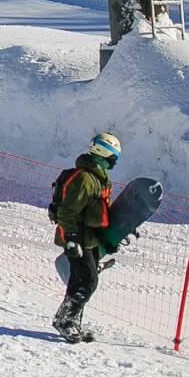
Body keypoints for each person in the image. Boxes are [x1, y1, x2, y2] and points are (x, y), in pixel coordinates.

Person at [51, 132, 123, 344]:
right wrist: (71, 239)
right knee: (88, 281)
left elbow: (98, 212)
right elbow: (67, 211)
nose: (115, 162)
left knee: (79, 280)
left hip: (90, 238)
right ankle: (65, 321)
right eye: (113, 157)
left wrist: (110, 237)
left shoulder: (98, 176)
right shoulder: (85, 178)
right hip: (77, 238)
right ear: (104, 153)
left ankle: (71, 321)